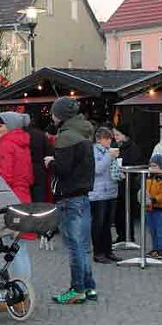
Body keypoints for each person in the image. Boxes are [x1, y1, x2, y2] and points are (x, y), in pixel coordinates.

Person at [47, 97, 96, 305]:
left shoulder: (66, 137)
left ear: (60, 115)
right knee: (83, 244)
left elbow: (64, 170)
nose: (51, 116)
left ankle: (77, 289)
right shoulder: (84, 132)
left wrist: (50, 163)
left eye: (53, 113)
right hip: (83, 195)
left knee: (74, 245)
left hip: (69, 197)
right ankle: (88, 286)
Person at [89, 127, 120, 264]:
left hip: (111, 191)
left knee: (107, 224)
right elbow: (97, 169)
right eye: (106, 139)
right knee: (98, 224)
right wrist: (109, 157)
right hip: (98, 193)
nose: (109, 141)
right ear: (99, 139)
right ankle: (98, 252)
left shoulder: (108, 151)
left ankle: (108, 251)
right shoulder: (94, 151)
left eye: (110, 139)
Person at [112, 125, 146, 243]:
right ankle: (121, 235)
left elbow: (134, 164)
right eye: (114, 135)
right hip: (118, 182)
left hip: (128, 183)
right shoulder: (116, 147)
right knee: (118, 211)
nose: (115, 137)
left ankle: (128, 235)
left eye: (117, 135)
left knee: (126, 210)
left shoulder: (132, 148)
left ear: (125, 135)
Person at [0, 112, 33, 203]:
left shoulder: (6, 145)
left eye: (0, 126)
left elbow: (5, 174)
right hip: (24, 192)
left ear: (10, 128)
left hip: (10, 194)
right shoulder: (22, 143)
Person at [144, 154, 162, 260]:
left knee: (159, 229)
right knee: (152, 229)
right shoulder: (148, 177)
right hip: (148, 206)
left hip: (159, 207)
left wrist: (155, 199)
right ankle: (155, 248)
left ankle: (161, 249)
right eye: (150, 165)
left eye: (154, 166)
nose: (152, 168)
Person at [24, 114, 53, 203]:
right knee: (39, 200)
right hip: (39, 170)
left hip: (24, 170)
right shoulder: (41, 135)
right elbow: (49, 152)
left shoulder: (21, 136)